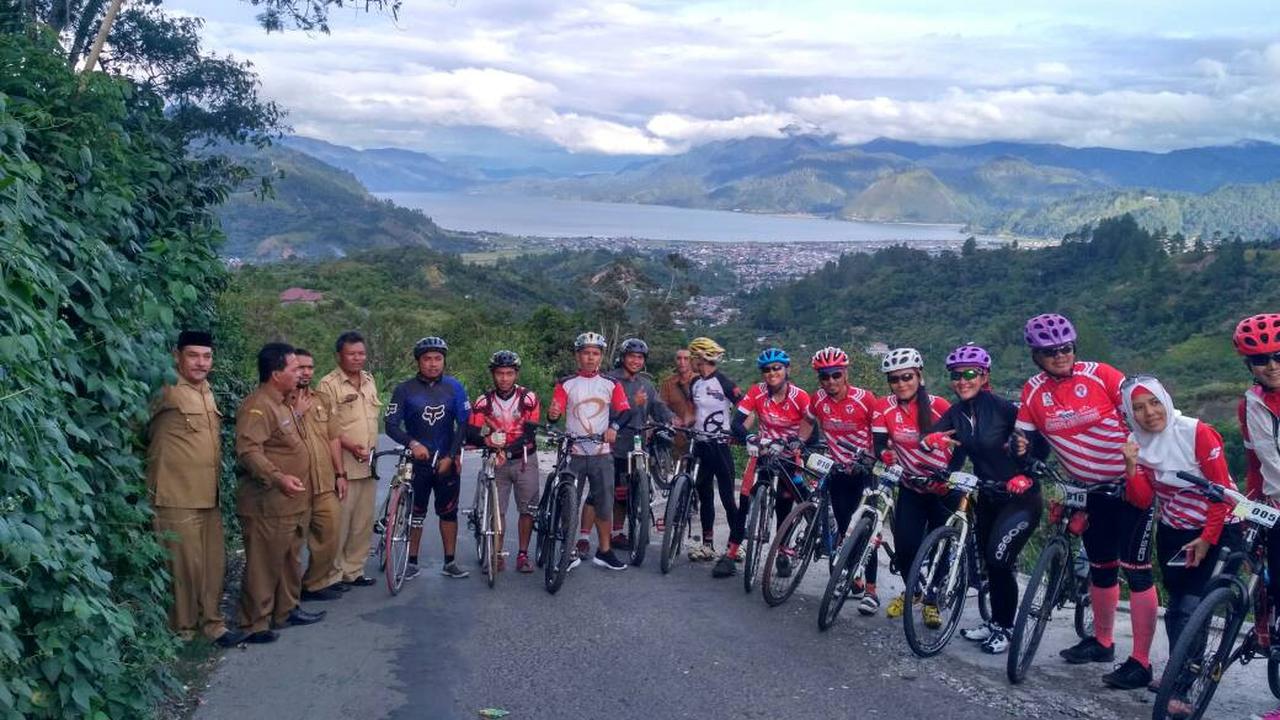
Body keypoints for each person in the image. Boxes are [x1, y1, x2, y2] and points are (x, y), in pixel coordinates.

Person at [1013, 313, 1156, 690]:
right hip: (1088, 489)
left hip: (1131, 483)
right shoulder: (1032, 391)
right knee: (1102, 566)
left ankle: (1141, 661)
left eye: (1066, 348)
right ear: (1036, 356)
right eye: (1050, 351)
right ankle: (1103, 643)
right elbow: (1024, 437)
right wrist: (1022, 452)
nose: (1060, 355)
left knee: (1137, 570)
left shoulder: (1102, 375)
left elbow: (1147, 415)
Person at [1120, 374, 1240, 703]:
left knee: (1191, 606)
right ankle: (1180, 667)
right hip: (1174, 530)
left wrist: (1207, 538)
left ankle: (1183, 687)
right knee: (1176, 607)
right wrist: (1131, 465)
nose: (1150, 413)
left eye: (1155, 402)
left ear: (1167, 400)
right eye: (1139, 408)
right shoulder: (1136, 441)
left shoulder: (1196, 432)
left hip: (1221, 525)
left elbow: (1222, 493)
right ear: (1130, 414)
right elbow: (1143, 500)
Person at [922, 344, 1039, 653]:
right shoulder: (957, 411)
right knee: (990, 563)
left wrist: (1025, 474)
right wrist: (931, 443)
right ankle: (994, 622)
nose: (963, 380)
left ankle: (1006, 627)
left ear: (985, 376)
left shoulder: (1003, 408)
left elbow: (1037, 443)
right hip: (987, 494)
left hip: (1020, 497)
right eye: (956, 376)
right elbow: (933, 437)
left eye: (970, 374)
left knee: (1000, 561)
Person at [146, 330, 244, 647]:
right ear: (177, 356)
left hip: (208, 495)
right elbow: (134, 426)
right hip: (175, 495)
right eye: (193, 355)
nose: (201, 363)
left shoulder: (207, 391)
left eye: (207, 356)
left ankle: (213, 624)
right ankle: (183, 631)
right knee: (183, 568)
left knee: (213, 565)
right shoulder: (165, 387)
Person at [235, 343, 325, 643]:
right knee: (263, 563)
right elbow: (248, 451)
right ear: (276, 374)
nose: (301, 372)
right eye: (294, 368)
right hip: (268, 502)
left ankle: (286, 610)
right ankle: (255, 623)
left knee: (288, 559)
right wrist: (278, 478)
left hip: (290, 502)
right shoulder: (258, 405)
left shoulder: (284, 402)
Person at [871, 347, 952, 624]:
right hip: (911, 486)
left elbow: (963, 442)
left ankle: (932, 600)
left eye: (907, 377)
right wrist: (885, 454)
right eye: (894, 379)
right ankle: (914, 591)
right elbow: (879, 443)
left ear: (919, 376)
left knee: (941, 547)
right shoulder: (884, 407)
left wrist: (950, 471)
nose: (901, 384)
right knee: (905, 548)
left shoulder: (939, 405)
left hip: (943, 488)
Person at [385, 336, 472, 580]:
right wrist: (412, 443)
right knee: (416, 512)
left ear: (444, 360)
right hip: (417, 461)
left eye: (438, 358)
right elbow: (390, 425)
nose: (433, 364)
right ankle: (411, 561)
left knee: (448, 512)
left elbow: (463, 424)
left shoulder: (455, 387)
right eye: (427, 359)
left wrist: (452, 455)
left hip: (446, 460)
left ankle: (450, 561)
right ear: (418, 361)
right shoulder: (404, 390)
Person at [549, 331, 633, 571]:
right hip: (573, 452)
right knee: (568, 504)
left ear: (601, 357)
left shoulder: (611, 384)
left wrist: (614, 427)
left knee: (604, 504)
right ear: (578, 356)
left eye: (595, 353)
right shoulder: (566, 383)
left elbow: (624, 411)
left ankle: (604, 551)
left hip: (601, 453)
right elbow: (554, 413)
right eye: (586, 353)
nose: (590, 358)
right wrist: (553, 415)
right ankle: (569, 550)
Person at [808, 346, 882, 614]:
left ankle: (872, 591)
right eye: (824, 376)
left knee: (866, 531)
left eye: (836, 375)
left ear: (845, 373)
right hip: (839, 472)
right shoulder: (818, 400)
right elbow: (808, 421)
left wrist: (873, 459)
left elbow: (882, 432)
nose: (831, 381)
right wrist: (800, 443)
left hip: (864, 473)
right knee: (843, 530)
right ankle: (855, 579)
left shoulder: (866, 398)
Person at [731, 347, 814, 579]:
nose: (771, 373)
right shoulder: (757, 391)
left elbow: (812, 430)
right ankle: (731, 553)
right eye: (766, 370)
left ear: (786, 370)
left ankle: (782, 553)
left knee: (784, 507)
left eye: (776, 368)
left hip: (789, 457)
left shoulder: (800, 396)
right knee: (746, 498)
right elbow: (736, 423)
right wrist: (749, 436)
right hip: (765, 453)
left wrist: (796, 441)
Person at [1235, 314, 1280, 720]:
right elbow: (1255, 464)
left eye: (1278, 356)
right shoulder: (1249, 404)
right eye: (1261, 359)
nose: (1272, 365)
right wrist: (1247, 508)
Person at [467, 350, 541, 574]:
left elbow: (529, 433)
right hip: (495, 462)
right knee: (495, 512)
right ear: (493, 374)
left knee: (527, 510)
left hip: (524, 460)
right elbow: (472, 433)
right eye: (500, 373)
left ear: (516, 374)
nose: (505, 378)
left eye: (509, 373)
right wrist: (487, 440)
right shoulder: (483, 401)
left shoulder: (528, 398)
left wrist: (506, 449)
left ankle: (522, 554)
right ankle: (496, 554)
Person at [317, 331, 381, 588]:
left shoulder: (369, 380)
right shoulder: (328, 384)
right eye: (351, 354)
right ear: (339, 356)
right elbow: (325, 427)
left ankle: (353, 571)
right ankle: (332, 575)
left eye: (361, 353)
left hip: (368, 464)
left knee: (362, 522)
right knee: (339, 523)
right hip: (342, 462)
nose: (357, 358)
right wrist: (350, 446)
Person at [602, 338, 673, 549]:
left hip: (637, 445)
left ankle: (618, 532)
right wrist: (634, 404)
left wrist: (672, 420)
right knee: (612, 492)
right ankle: (602, 535)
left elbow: (658, 408)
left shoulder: (647, 385)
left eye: (639, 357)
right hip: (612, 444)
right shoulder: (609, 380)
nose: (635, 361)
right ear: (623, 357)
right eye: (631, 356)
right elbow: (602, 411)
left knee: (628, 492)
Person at [290, 349, 347, 601]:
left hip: (324, 480)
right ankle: (288, 597)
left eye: (310, 367)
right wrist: (296, 414)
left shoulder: (322, 399)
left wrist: (340, 473)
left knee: (330, 533)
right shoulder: (280, 400)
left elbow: (333, 438)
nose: (305, 372)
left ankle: (314, 583)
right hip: (295, 484)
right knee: (291, 543)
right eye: (300, 367)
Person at [685, 337, 745, 569]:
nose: (690, 361)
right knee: (705, 494)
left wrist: (738, 430)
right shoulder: (695, 383)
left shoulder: (724, 382)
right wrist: (680, 423)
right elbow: (693, 413)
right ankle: (708, 543)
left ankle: (736, 544)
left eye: (692, 357)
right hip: (700, 444)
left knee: (728, 497)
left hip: (720, 445)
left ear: (701, 358)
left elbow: (746, 405)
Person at [659, 347, 696, 458]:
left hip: (699, 436)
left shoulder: (701, 381)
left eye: (686, 358)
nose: (682, 362)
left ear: (691, 361)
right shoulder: (668, 384)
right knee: (679, 472)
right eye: (679, 358)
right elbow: (661, 407)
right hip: (678, 438)